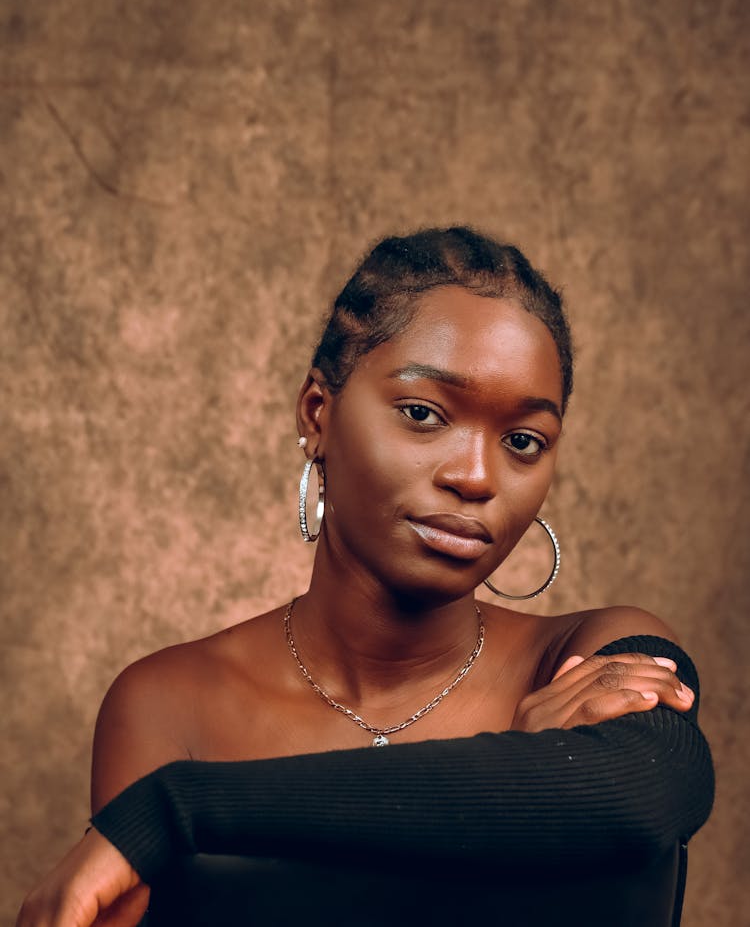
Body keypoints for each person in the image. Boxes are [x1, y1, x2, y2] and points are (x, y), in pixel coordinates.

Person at [17, 227, 713, 927]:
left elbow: (641, 794)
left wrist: (175, 810)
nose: (475, 475)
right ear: (318, 414)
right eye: (423, 414)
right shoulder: (171, 702)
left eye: (522, 441)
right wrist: (528, 771)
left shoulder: (584, 656)